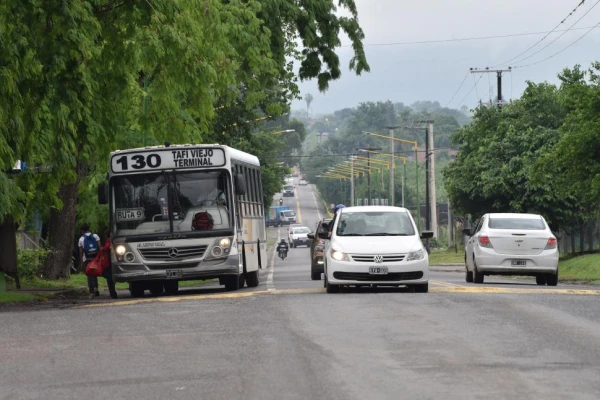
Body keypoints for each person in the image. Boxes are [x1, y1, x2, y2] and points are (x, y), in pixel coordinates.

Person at [78, 223, 101, 299]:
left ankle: (91, 292)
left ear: (82, 231)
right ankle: (96, 288)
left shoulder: (81, 239)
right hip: (95, 258)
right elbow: (99, 247)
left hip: (87, 259)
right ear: (89, 229)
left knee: (89, 275)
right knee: (94, 273)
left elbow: (81, 251)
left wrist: (81, 261)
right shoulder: (95, 236)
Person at [100, 230, 118, 299]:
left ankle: (113, 293)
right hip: (111, 262)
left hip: (108, 262)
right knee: (110, 278)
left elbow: (106, 247)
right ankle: (112, 293)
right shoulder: (112, 240)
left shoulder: (108, 241)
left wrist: (102, 249)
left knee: (109, 279)